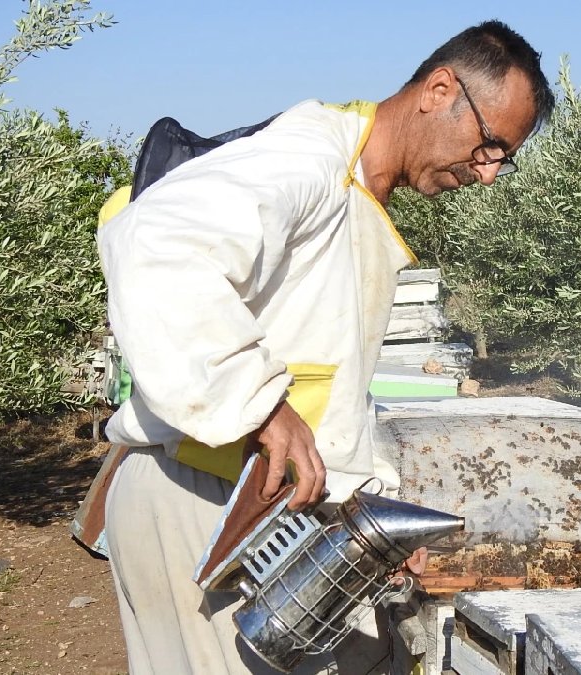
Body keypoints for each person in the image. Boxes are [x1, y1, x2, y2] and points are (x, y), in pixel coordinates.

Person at [92, 20, 555, 674]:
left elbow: (323, 382)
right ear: (440, 90)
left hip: (254, 512)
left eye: (501, 159)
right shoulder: (310, 156)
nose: (486, 174)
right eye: (487, 146)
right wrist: (257, 403)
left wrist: (365, 496)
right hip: (201, 503)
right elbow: (154, 240)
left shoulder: (361, 194)